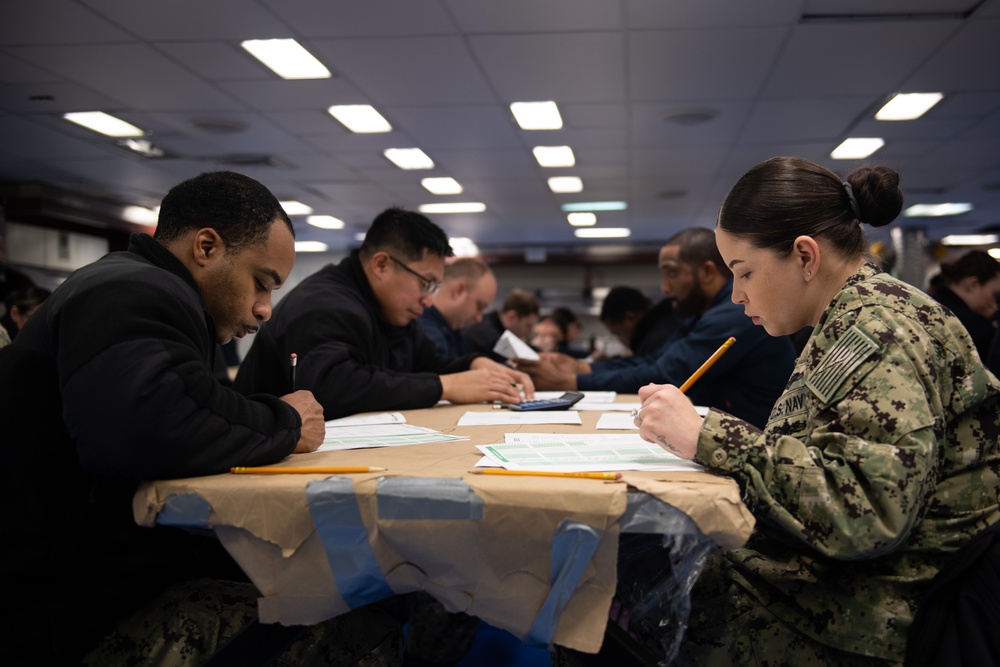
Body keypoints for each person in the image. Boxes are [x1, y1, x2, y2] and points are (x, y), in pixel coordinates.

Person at [0, 171, 402, 666]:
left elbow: (192, 407)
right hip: (69, 609)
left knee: (340, 582)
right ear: (206, 247)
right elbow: (145, 428)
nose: (264, 310)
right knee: (363, 632)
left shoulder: (160, 299)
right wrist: (286, 422)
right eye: (261, 283)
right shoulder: (129, 291)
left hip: (100, 572)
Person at [630, 157, 1000, 665]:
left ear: (805, 256)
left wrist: (709, 436)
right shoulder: (855, 313)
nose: (737, 295)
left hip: (873, 608)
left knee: (626, 590)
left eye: (745, 273)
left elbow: (867, 512)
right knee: (640, 565)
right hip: (857, 580)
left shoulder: (876, 329)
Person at [235, 207, 532, 418]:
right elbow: (331, 388)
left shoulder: (394, 309)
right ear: (381, 265)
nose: (429, 300)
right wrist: (448, 386)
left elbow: (427, 362)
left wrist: (475, 364)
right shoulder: (325, 304)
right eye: (425, 284)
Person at [516, 228, 797, 428]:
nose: (664, 288)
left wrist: (567, 383)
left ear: (708, 272)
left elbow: (665, 375)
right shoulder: (707, 313)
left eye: (672, 272)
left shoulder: (734, 315)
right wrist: (583, 370)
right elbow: (656, 360)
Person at [928, 249, 1000, 366]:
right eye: (995, 295)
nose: (995, 304)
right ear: (973, 284)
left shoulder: (926, 302)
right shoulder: (976, 330)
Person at [416, 257, 497, 357]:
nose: (479, 318)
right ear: (458, 291)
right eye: (479, 306)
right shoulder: (427, 333)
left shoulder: (451, 330)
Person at [599, 286, 681, 357]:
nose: (620, 340)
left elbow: (647, 369)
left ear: (630, 318)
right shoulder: (663, 324)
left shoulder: (655, 343)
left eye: (617, 333)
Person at [462, 287, 540, 355]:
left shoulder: (492, 330)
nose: (530, 331)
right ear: (512, 316)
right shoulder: (485, 335)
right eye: (528, 325)